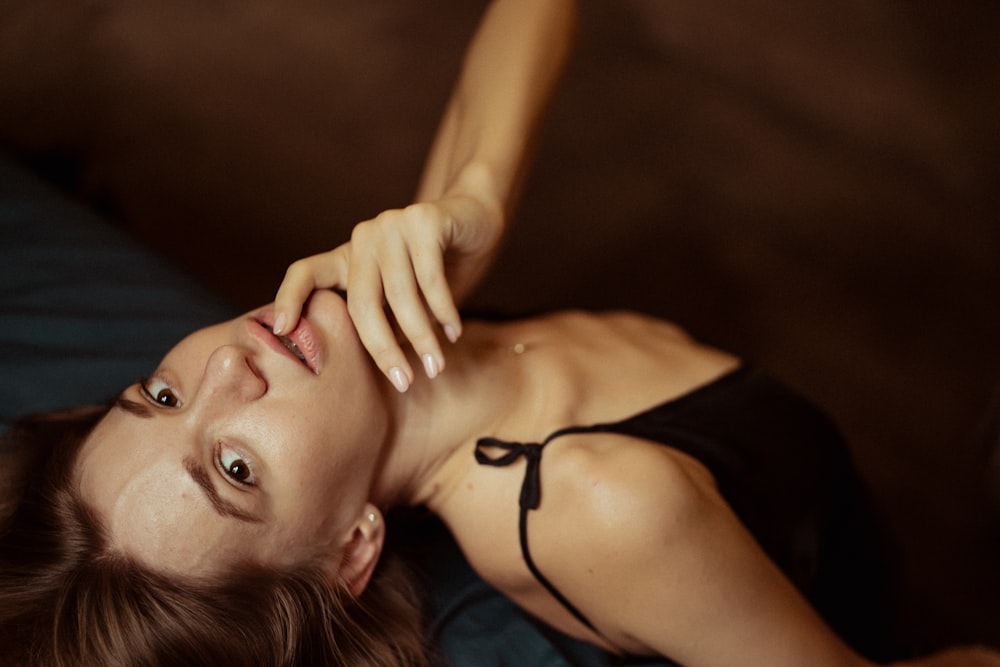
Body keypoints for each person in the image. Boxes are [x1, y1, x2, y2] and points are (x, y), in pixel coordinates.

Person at [1, 2, 998, 667]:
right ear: (349, 551)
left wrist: (472, 203)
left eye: (158, 394)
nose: (227, 364)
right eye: (233, 468)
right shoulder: (593, 504)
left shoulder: (391, 331)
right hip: (838, 557)